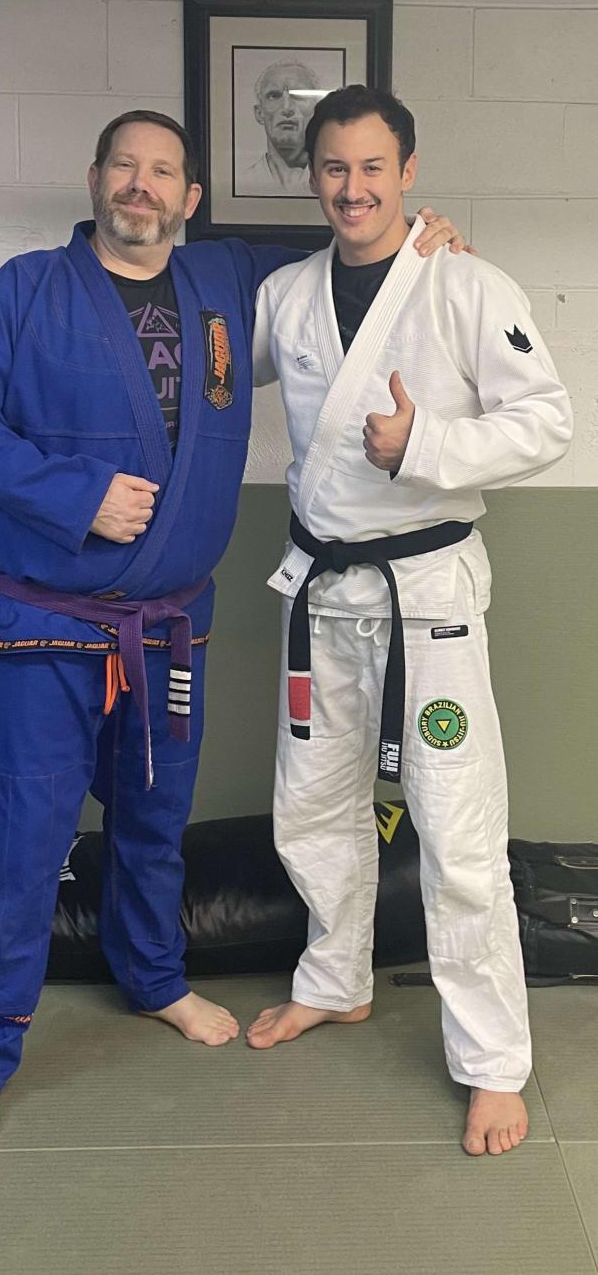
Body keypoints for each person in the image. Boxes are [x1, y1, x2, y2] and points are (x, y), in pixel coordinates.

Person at [0, 106, 466, 1156]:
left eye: (162, 171)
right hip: (43, 627)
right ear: (95, 179)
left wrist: (423, 242)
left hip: (169, 627)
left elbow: (349, 246)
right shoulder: (24, 291)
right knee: (22, 842)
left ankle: (155, 980)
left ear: (191, 198)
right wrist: (75, 494)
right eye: (123, 166)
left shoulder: (226, 280)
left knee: (152, 822)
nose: (141, 185)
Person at [247, 85, 573, 1160]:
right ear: (313, 177)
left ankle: (493, 1062)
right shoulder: (287, 295)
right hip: (321, 595)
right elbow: (201, 349)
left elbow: (547, 421)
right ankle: (334, 980)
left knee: (457, 826)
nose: (353, 188)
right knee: (310, 804)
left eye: (372, 167)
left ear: (409, 171)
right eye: (334, 168)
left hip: (427, 601)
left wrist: (425, 442)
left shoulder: (467, 283)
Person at [240, 60, 321, 197]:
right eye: (274, 96)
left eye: (299, 95)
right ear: (259, 113)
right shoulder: (243, 182)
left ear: (315, 111)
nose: (286, 108)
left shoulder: (329, 184)